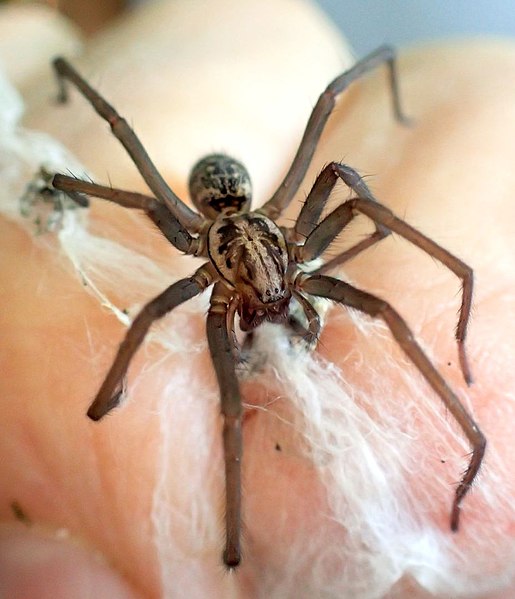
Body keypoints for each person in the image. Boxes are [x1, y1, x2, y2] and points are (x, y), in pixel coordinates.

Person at [1, 1, 513, 597]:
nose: (264, 298)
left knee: (385, 301)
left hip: (258, 208)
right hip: (210, 202)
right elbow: (142, 233)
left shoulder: (291, 242)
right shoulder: (196, 256)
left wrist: (456, 275)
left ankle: (471, 436)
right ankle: (232, 542)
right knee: (225, 403)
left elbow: (352, 189)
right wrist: (67, 183)